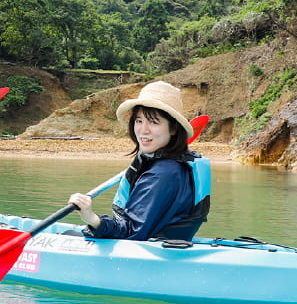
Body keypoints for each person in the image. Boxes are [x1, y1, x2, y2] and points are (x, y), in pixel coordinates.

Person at [68, 81, 210, 243]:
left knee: (67, 236)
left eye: (154, 122)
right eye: (139, 121)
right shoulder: (175, 165)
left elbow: (132, 232)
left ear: (173, 129)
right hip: (166, 246)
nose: (143, 130)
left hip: (147, 254)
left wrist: (92, 218)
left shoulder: (161, 173)